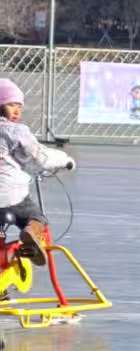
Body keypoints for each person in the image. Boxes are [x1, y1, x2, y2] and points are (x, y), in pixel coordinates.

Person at [0, 78, 74, 267]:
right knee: (35, 216)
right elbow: (40, 157)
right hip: (9, 195)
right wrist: (65, 159)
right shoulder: (14, 131)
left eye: (19, 106)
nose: (16, 110)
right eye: (10, 104)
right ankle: (31, 233)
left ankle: (5, 259)